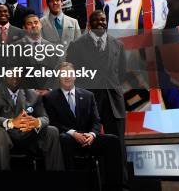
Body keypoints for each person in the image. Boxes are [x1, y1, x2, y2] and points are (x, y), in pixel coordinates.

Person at [67, 10, 128, 183]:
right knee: (88, 144)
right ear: (89, 24)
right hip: (88, 101)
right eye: (96, 20)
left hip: (113, 101)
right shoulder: (77, 45)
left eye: (103, 20)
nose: (100, 23)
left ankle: (120, 185)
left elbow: (122, 73)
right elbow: (72, 75)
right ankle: (93, 183)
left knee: (118, 146)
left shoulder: (118, 45)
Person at [43, 62, 123, 190]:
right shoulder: (50, 98)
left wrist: (92, 134)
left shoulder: (88, 95)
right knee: (64, 139)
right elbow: (53, 122)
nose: (67, 77)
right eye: (63, 74)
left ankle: (114, 187)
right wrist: (73, 133)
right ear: (58, 76)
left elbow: (96, 121)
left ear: (75, 76)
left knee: (112, 141)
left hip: (88, 138)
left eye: (70, 73)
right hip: (69, 139)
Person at [0, 73, 64, 171]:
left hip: (27, 136)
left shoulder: (33, 94)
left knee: (52, 130)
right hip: (5, 136)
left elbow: (45, 118)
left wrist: (36, 122)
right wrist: (11, 122)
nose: (15, 76)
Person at [18, 14, 64, 91]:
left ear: (41, 25)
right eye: (29, 24)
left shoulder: (54, 48)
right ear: (24, 28)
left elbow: (57, 73)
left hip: (49, 95)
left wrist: (48, 89)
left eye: (36, 22)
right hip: (25, 95)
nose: (33, 25)